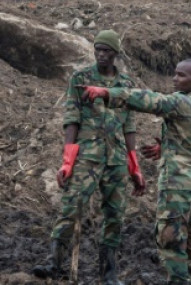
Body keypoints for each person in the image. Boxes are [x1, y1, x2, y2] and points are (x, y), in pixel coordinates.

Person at [82, 59, 191, 284]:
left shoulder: (180, 102)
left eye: (181, 75)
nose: (175, 79)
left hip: (176, 185)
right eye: (174, 73)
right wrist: (167, 146)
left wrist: (107, 93)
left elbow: (147, 100)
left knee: (171, 243)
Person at [33, 30, 145, 283]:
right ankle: (53, 262)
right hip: (87, 158)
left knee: (115, 215)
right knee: (71, 208)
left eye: (107, 51)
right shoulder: (81, 78)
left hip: (115, 159)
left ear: (116, 54)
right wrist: (68, 160)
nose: (102, 55)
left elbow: (129, 124)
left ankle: (109, 273)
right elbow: (72, 118)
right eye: (98, 50)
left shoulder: (125, 85)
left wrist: (134, 165)